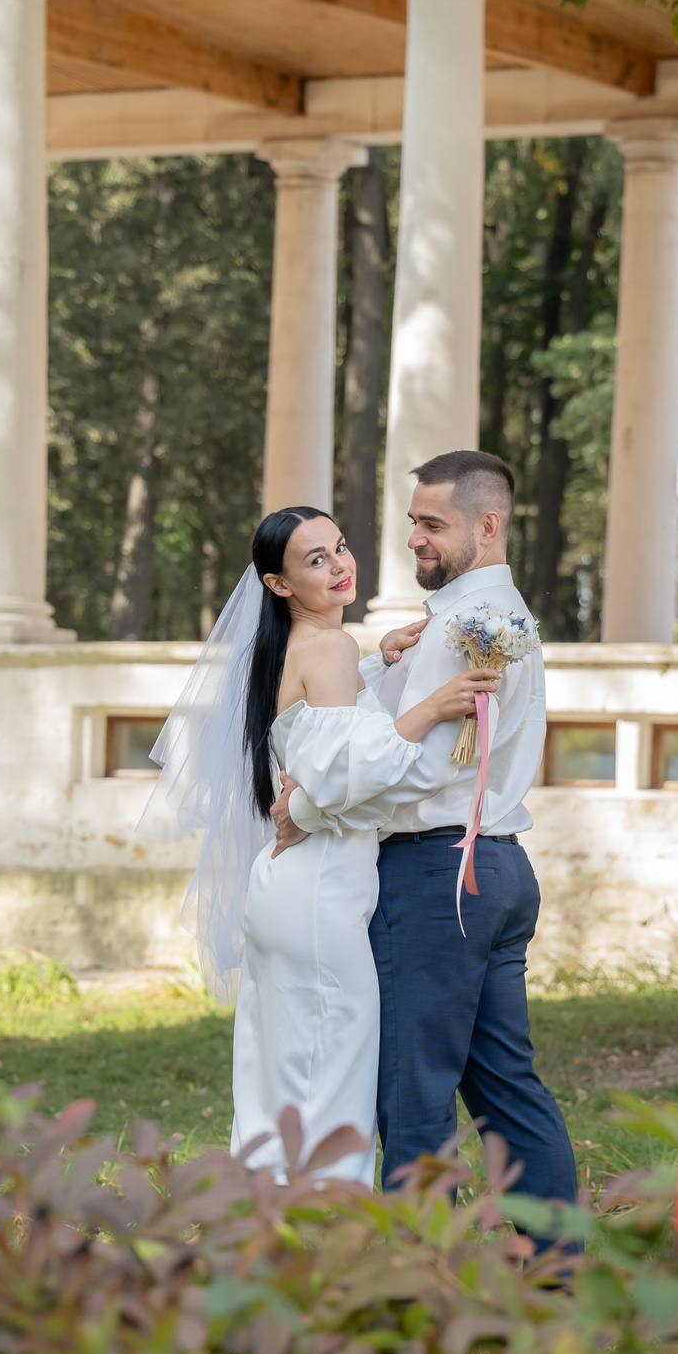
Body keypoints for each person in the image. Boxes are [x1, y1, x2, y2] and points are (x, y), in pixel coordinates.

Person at [137, 505, 498, 1186]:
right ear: (278, 584)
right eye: (315, 560)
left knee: (279, 1077)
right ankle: (326, 1242)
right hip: (319, 897)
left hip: (284, 889)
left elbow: (322, 743)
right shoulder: (326, 649)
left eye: (339, 547)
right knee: (333, 1079)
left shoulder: (299, 649)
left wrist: (379, 663)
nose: (339, 567)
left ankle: (265, 1232)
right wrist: (432, 705)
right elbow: (354, 770)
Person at [278, 451, 578, 1202]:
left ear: (488, 525)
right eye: (413, 522)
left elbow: (421, 769)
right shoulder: (490, 617)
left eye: (433, 525)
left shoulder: (467, 627)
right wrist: (381, 667)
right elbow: (385, 732)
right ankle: (559, 1276)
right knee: (508, 1089)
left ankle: (418, 1292)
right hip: (496, 869)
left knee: (410, 1098)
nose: (415, 538)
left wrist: (304, 809)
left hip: (439, 876)